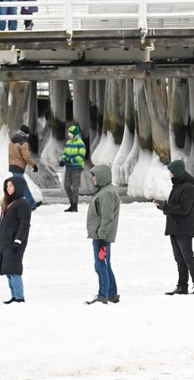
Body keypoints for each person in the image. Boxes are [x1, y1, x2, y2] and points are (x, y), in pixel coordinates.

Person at [154, 159, 194, 295]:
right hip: (174, 228)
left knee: (188, 258)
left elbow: (184, 209)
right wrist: (162, 206)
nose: (169, 174)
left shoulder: (188, 187)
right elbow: (175, 207)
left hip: (184, 229)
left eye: (171, 172)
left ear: (177, 172)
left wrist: (165, 206)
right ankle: (182, 286)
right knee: (179, 259)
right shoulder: (177, 186)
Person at [0, 177, 31, 304]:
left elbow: (24, 225)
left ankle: (19, 297)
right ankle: (14, 296)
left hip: (15, 243)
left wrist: (18, 241)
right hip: (5, 242)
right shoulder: (8, 203)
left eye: (11, 186)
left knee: (14, 270)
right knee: (8, 269)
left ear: (18, 187)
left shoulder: (23, 204)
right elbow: (1, 223)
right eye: (7, 186)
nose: (8, 188)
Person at [85, 165, 121, 304]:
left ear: (102, 176)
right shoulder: (105, 191)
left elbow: (107, 218)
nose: (93, 179)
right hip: (101, 235)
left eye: (94, 176)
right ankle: (111, 294)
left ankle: (103, 294)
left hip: (102, 237)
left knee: (101, 265)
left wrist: (101, 236)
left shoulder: (106, 193)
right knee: (104, 264)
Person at [9, 125, 38, 210]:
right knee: (22, 186)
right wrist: (34, 165)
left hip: (12, 165)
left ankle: (29, 203)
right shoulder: (24, 142)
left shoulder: (13, 140)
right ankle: (31, 203)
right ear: (26, 134)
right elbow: (26, 157)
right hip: (19, 166)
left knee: (20, 185)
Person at [60, 123, 86, 212]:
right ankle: (71, 203)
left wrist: (70, 161)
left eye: (70, 133)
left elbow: (81, 156)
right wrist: (63, 160)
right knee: (66, 186)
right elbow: (65, 154)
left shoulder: (80, 143)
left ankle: (75, 206)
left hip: (76, 168)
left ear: (74, 134)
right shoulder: (68, 142)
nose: (68, 134)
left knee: (75, 187)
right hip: (68, 167)